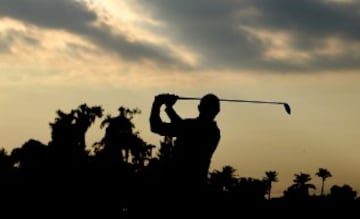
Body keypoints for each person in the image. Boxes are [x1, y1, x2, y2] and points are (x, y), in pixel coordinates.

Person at [149, 93, 221, 192]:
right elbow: (180, 126)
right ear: (217, 111)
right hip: (196, 185)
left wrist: (158, 104)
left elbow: (159, 126)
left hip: (180, 184)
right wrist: (168, 107)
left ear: (199, 108)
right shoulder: (213, 132)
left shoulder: (206, 130)